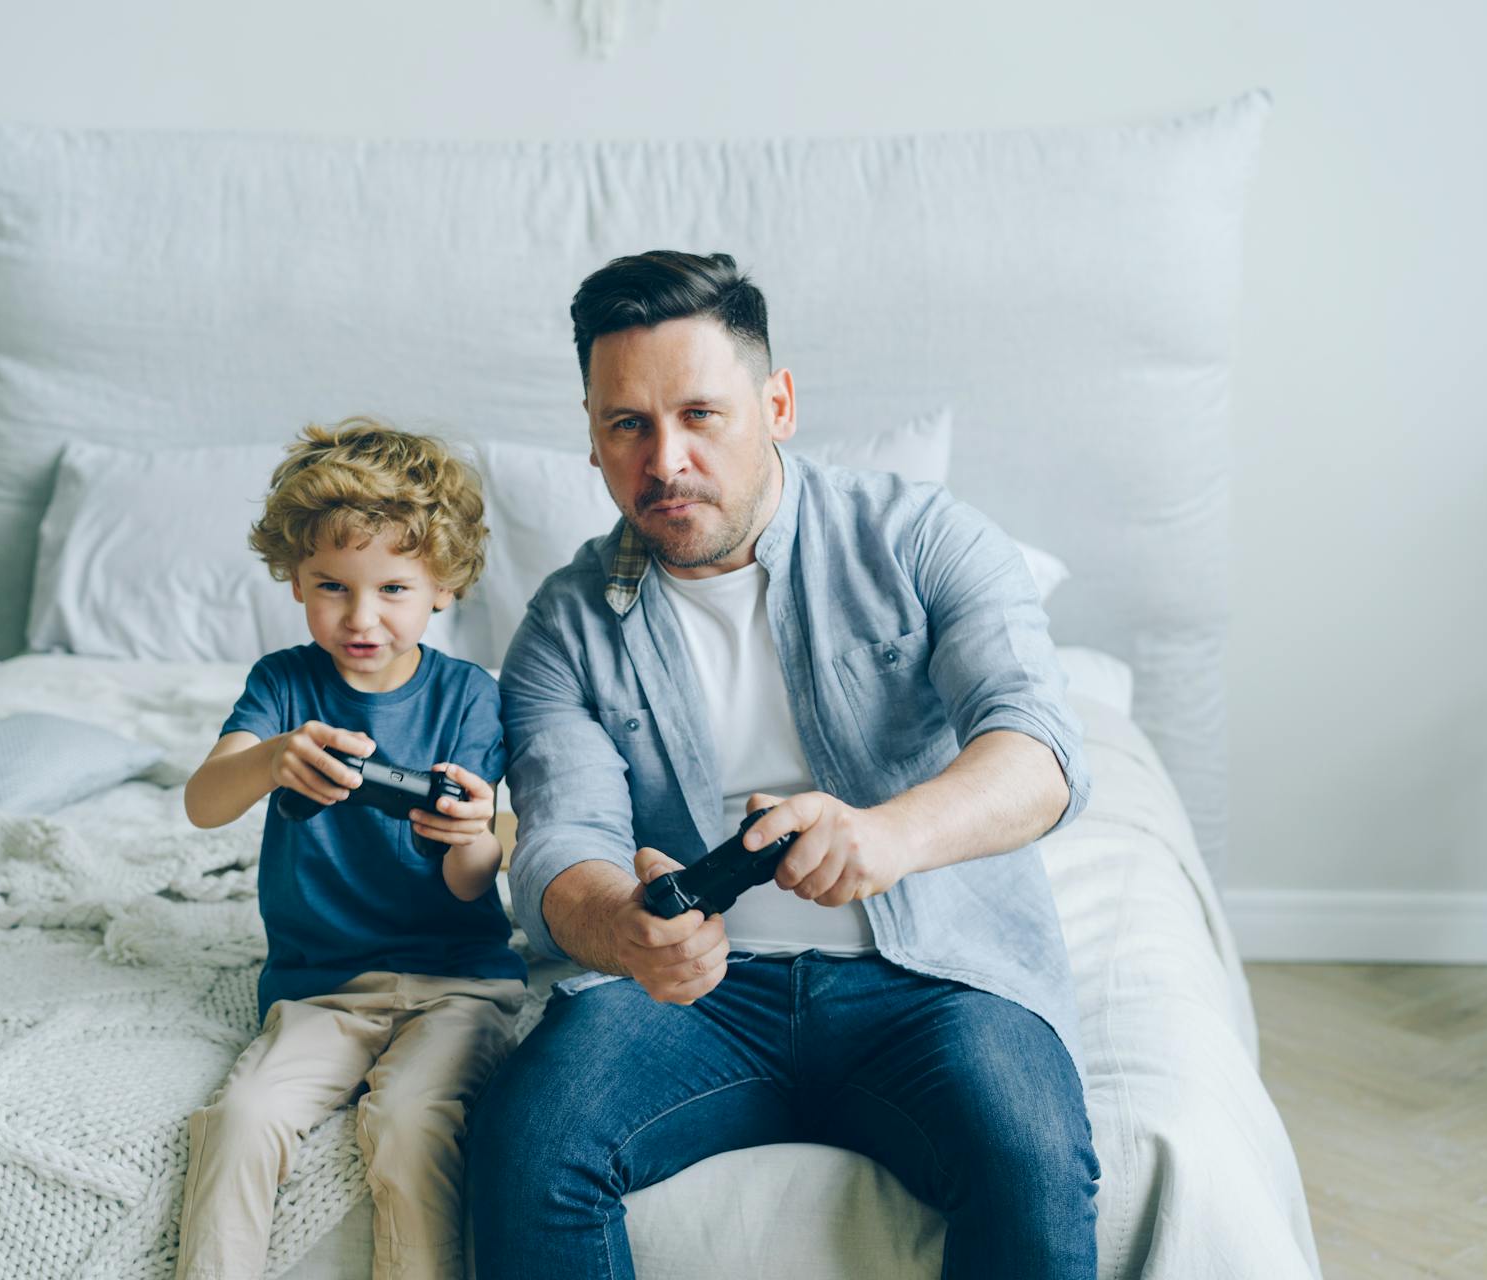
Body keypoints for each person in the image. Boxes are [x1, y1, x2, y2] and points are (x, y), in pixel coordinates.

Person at [468, 252, 1101, 1278]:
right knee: (528, 1142)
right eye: (627, 422)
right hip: (690, 999)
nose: (664, 458)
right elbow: (558, 847)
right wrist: (621, 928)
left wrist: (885, 832)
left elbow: (1041, 751)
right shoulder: (564, 626)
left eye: (700, 414)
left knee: (1028, 1154)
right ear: (591, 435)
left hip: (933, 976)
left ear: (778, 403)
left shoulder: (924, 538)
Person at [176, 420, 525, 1280]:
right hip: (320, 988)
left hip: (457, 986)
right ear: (295, 579)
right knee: (244, 1115)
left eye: (394, 589)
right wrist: (270, 757)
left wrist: (475, 835)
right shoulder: (283, 685)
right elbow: (202, 803)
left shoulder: (472, 699)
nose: (361, 618)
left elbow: (473, 882)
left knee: (410, 1120)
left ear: (442, 587)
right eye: (332, 586)